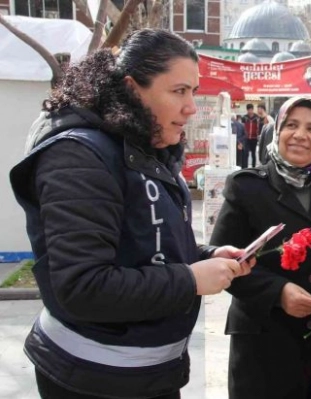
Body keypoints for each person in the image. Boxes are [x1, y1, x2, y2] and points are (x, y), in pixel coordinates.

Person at [9, 29, 255, 399]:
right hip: (92, 380)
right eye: (179, 91)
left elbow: (148, 244)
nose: (191, 106)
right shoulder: (79, 157)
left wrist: (206, 257)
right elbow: (83, 286)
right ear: (132, 88)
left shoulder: (147, 146)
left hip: (147, 375)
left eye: (193, 90)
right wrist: (190, 280)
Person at [209, 96, 311, 399]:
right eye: (291, 125)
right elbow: (221, 259)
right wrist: (278, 292)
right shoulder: (246, 187)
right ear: (277, 130)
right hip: (263, 346)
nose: (300, 135)